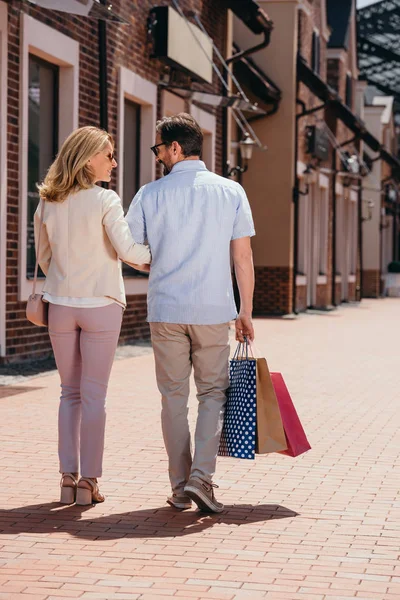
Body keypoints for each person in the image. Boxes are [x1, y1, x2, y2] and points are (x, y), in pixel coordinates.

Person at [126, 113, 255, 513]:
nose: (158, 155)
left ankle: (182, 486)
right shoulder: (231, 191)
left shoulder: (149, 194)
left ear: (176, 148)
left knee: (173, 399)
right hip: (213, 309)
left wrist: (157, 264)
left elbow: (129, 250)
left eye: (159, 147)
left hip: (165, 308)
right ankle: (202, 478)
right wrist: (245, 311)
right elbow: (243, 256)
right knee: (213, 393)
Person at [34, 126, 151, 506]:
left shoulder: (48, 202)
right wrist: (159, 256)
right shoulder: (106, 199)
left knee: (69, 393)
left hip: (61, 306)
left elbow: (44, 257)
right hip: (101, 303)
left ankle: (67, 478)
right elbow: (130, 251)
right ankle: (89, 482)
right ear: (88, 159)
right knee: (94, 396)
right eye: (108, 155)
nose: (114, 162)